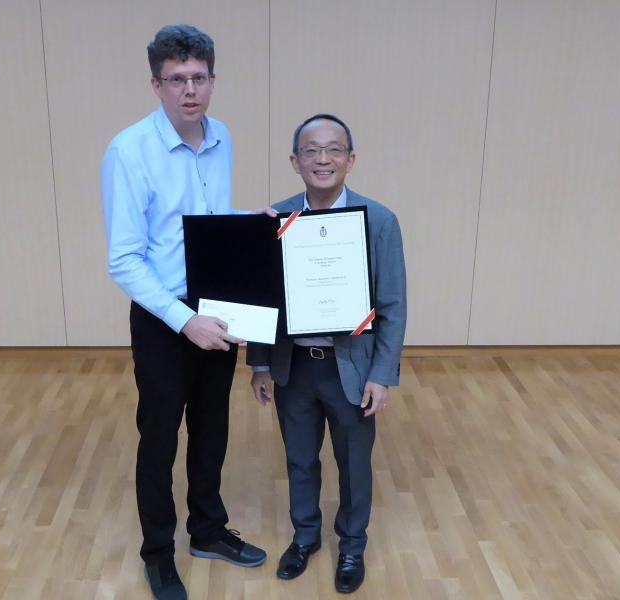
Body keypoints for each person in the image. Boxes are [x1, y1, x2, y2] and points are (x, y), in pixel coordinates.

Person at [101, 24, 273, 600]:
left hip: (217, 306)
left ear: (213, 80)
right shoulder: (129, 152)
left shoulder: (220, 135)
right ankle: (158, 554)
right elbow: (124, 261)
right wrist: (183, 319)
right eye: (177, 79)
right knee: (159, 439)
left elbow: (202, 222)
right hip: (164, 317)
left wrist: (249, 229)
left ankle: (207, 529)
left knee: (212, 428)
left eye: (199, 77)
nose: (190, 89)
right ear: (156, 85)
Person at [247, 114, 406, 594]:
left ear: (350, 159)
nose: (323, 159)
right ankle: (305, 537)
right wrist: (259, 362)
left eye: (334, 149)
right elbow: (262, 297)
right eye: (311, 151)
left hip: (351, 370)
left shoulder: (378, 220)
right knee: (299, 459)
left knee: (354, 462)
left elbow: (393, 305)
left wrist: (382, 374)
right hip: (293, 367)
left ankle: (352, 544)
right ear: (295, 161)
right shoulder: (275, 219)